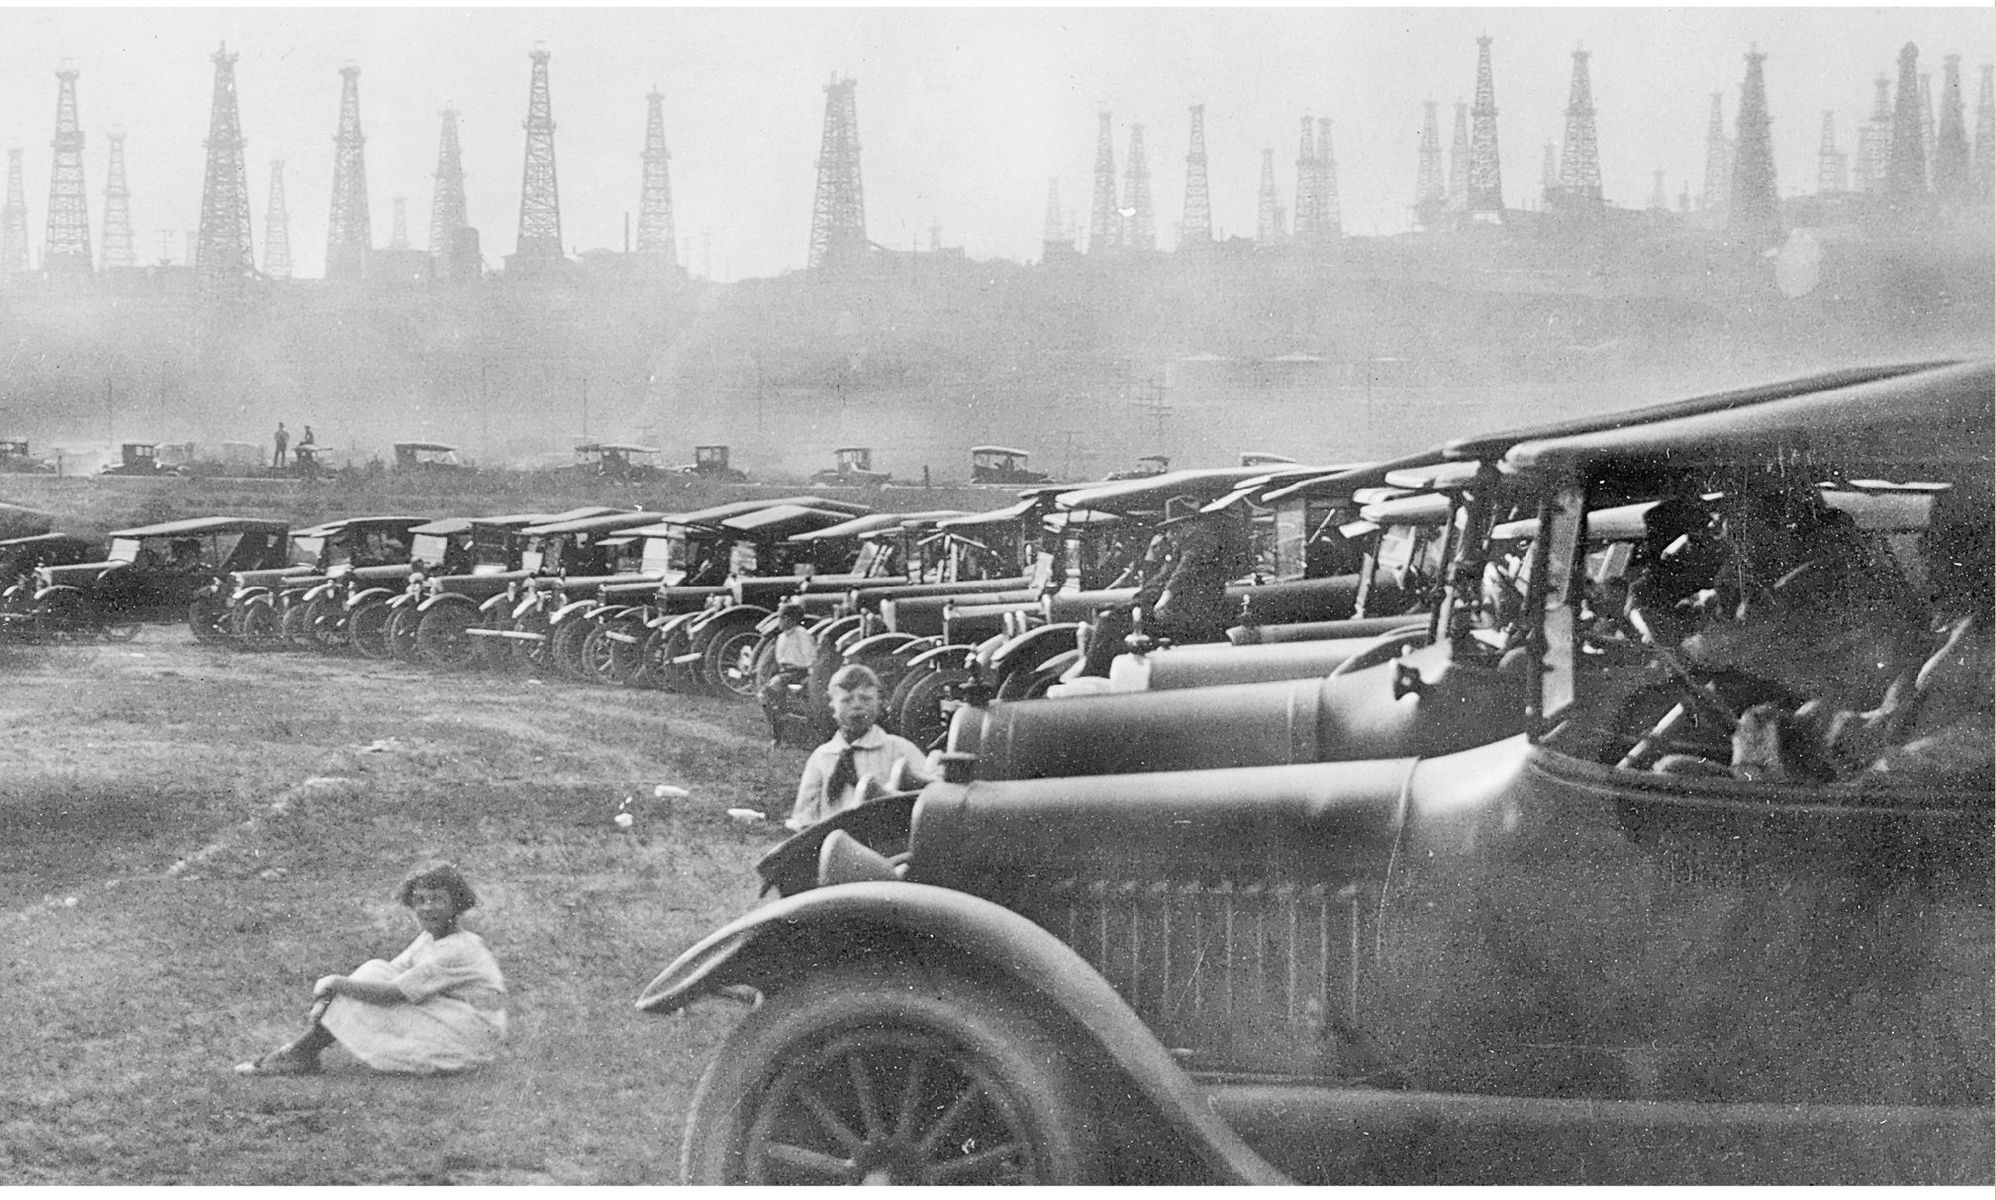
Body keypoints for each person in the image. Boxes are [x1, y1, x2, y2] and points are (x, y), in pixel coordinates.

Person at [235, 862, 507, 1077]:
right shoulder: (430, 938)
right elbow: (389, 971)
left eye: (437, 899)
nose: (427, 908)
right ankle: (301, 1052)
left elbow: (392, 993)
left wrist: (334, 983)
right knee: (373, 970)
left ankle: (300, 1053)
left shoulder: (458, 947)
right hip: (456, 1024)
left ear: (457, 903)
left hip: (470, 1038)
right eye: (420, 900)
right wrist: (332, 995)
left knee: (366, 981)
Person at [787, 664, 932, 831]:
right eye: (847, 700)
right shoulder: (822, 757)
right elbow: (805, 817)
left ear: (879, 702)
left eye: (866, 699)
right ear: (832, 705)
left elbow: (927, 799)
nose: (857, 705)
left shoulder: (899, 749)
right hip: (834, 843)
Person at [759, 602, 817, 746]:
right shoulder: (782, 636)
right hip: (785, 672)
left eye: (781, 619)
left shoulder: (801, 634)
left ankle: (779, 737)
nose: (779, 622)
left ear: (790, 620)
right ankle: (779, 733)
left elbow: (809, 657)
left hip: (798, 672)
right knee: (767, 698)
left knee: (768, 694)